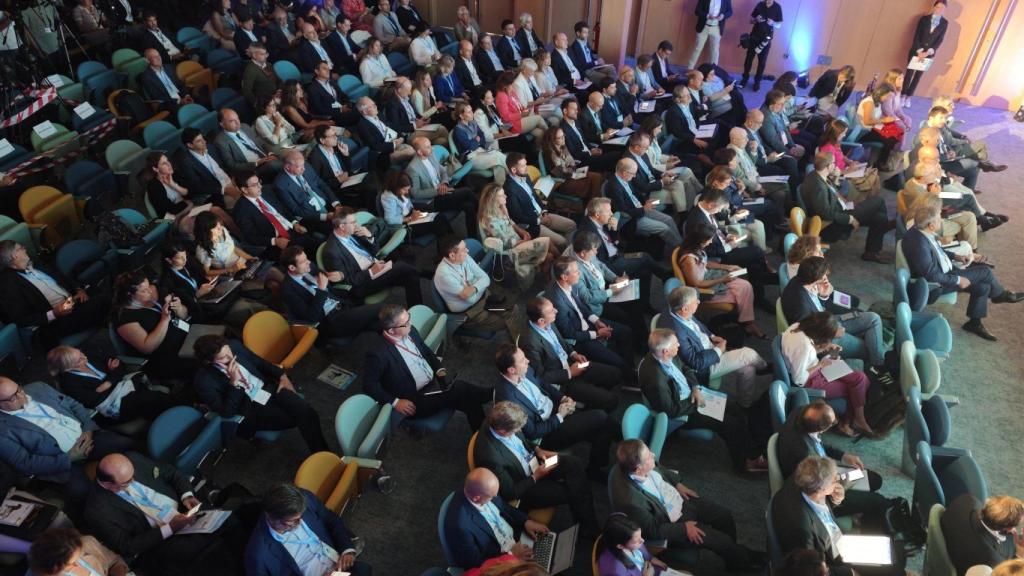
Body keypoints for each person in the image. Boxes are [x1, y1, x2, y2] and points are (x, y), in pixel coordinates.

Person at [610, 439, 763, 571]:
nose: (653, 455)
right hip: (673, 523)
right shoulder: (631, 501)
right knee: (721, 541)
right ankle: (739, 556)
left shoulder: (636, 460)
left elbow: (658, 466)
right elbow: (653, 530)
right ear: (638, 469)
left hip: (677, 499)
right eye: (649, 456)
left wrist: (677, 483)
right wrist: (684, 528)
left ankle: (734, 558)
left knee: (724, 516)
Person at [641, 329, 770, 473]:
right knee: (730, 425)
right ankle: (744, 464)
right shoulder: (656, 381)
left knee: (735, 409)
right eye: (675, 344)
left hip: (693, 395)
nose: (678, 345)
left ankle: (751, 451)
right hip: (685, 411)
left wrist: (695, 387)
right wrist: (696, 401)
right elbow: (671, 410)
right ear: (665, 351)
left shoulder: (665, 355)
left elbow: (686, 368)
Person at [474, 401, 599, 538]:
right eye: (517, 430)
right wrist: (537, 476)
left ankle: (587, 526)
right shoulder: (490, 457)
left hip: (537, 462)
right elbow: (511, 492)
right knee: (573, 491)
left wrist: (538, 450)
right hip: (527, 485)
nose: (520, 431)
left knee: (574, 463)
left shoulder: (499, 419)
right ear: (502, 431)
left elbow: (523, 441)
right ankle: (590, 530)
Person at [902, 201, 1022, 341]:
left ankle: (974, 323)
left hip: (943, 270)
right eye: (939, 218)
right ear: (932, 225)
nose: (942, 220)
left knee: (983, 287)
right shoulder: (919, 244)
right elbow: (931, 275)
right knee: (985, 272)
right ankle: (1000, 295)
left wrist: (956, 256)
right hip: (935, 285)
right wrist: (958, 280)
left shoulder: (921, 231)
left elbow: (936, 251)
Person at [0, 378, 135, 501]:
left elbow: (74, 405)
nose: (22, 396)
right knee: (82, 492)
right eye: (13, 398)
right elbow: (24, 463)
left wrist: (88, 429)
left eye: (19, 389)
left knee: (126, 444)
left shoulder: (38, 386)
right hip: (60, 462)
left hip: (87, 437)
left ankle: (137, 482)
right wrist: (70, 457)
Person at [493, 344, 615, 480]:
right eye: (522, 360)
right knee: (600, 417)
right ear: (512, 370)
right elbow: (533, 432)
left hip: (557, 409)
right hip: (548, 432)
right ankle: (622, 443)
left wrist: (562, 398)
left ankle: (595, 469)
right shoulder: (507, 399)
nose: (527, 360)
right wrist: (560, 416)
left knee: (603, 429)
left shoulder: (524, 369)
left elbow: (543, 384)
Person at [772, 456, 907, 576]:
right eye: (834, 479)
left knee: (896, 551)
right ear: (822, 489)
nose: (838, 479)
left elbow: (824, 509)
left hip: (843, 543)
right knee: (896, 566)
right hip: (835, 558)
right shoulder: (800, 528)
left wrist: (837, 499)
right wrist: (848, 572)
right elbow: (810, 567)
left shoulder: (806, 477)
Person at [364, 304, 491, 429]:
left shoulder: (410, 330)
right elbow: (369, 385)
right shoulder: (378, 354)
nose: (410, 323)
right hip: (413, 399)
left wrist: (438, 368)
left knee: (469, 400)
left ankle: (481, 437)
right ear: (391, 330)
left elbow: (425, 350)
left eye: (409, 317)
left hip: (432, 383)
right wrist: (395, 402)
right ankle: (491, 394)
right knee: (459, 388)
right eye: (405, 323)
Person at [193, 335, 328, 453]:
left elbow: (259, 362)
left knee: (307, 413)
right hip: (250, 407)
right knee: (297, 418)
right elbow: (227, 411)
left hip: (268, 387)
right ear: (209, 362)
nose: (230, 356)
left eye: (228, 350)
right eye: (223, 357)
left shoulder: (234, 345)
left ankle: (323, 455)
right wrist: (233, 383)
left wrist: (282, 375)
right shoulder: (204, 381)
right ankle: (322, 456)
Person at [778, 401, 895, 529]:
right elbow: (818, 493)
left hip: (830, 473)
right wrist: (839, 487)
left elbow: (818, 443)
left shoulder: (801, 412)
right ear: (822, 429)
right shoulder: (805, 456)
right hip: (826, 488)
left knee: (875, 480)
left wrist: (843, 456)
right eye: (833, 423)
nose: (836, 423)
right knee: (878, 501)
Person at [656, 286, 769, 406]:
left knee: (747, 368)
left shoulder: (675, 309)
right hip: (704, 366)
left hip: (707, 347)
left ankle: (745, 404)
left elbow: (697, 324)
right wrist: (718, 350)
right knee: (748, 354)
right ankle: (763, 368)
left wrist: (712, 336)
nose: (699, 302)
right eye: (696, 301)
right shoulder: (678, 333)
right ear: (685, 309)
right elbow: (695, 363)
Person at [782, 256, 889, 378]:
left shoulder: (801, 280)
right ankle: (878, 372)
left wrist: (823, 296)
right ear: (815, 278)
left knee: (873, 318)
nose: (826, 278)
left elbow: (818, 307)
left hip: (828, 320)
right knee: (870, 347)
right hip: (824, 335)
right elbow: (807, 334)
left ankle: (877, 366)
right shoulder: (800, 305)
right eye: (824, 276)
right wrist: (833, 333)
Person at [245, 481, 370, 576]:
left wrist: (346, 549)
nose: (300, 523)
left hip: (341, 561)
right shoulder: (257, 555)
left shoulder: (305, 498)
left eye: (301, 516)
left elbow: (331, 519)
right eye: (292, 521)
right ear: (271, 517)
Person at [780, 312, 874, 437]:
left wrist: (826, 347)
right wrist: (821, 365)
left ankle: (855, 419)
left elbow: (808, 353)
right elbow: (799, 379)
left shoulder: (798, 326)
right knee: (854, 388)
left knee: (860, 378)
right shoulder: (804, 347)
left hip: (814, 369)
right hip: (810, 381)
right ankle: (852, 421)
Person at [0, 241, 109, 348]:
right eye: (21, 248)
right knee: (103, 301)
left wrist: (79, 290)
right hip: (51, 322)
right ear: (14, 256)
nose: (25, 248)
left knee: (104, 288)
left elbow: (61, 276)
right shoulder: (7, 285)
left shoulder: (35, 262)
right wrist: (54, 314)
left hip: (71, 302)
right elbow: (21, 319)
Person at [521, 296, 620, 413]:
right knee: (610, 400)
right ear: (541, 321)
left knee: (615, 373)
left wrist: (573, 353)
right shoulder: (529, 342)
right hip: (564, 380)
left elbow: (561, 342)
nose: (556, 311)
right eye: (552, 310)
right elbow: (541, 377)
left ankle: (593, 394)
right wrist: (569, 373)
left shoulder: (549, 322)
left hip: (573, 364)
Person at [546, 256, 636, 377]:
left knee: (626, 332)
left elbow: (580, 305)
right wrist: (598, 334)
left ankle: (629, 368)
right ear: (564, 277)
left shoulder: (566, 283)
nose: (579, 273)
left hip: (587, 323)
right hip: (580, 338)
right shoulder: (557, 302)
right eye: (576, 271)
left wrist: (596, 320)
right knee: (617, 362)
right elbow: (569, 334)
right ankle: (631, 377)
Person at [445, 468, 549, 570]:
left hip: (516, 539)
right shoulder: (459, 526)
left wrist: (526, 522)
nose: (495, 496)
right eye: (492, 496)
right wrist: (511, 555)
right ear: (477, 498)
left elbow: (504, 507)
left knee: (547, 555)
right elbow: (474, 564)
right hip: (500, 561)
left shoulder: (485, 488)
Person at [684, 188, 774, 305]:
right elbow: (704, 250)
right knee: (756, 252)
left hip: (722, 245)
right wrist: (729, 247)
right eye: (719, 209)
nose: (719, 211)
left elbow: (716, 228)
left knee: (754, 263)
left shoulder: (705, 211)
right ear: (711, 205)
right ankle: (763, 282)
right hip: (716, 256)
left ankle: (760, 289)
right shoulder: (697, 221)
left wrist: (728, 235)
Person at [800, 151, 893, 263]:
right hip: (832, 225)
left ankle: (871, 253)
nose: (835, 166)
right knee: (878, 201)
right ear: (828, 166)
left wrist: (835, 179)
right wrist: (849, 219)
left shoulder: (817, 175)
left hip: (841, 210)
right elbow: (825, 213)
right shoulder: (818, 187)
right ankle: (886, 227)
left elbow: (831, 195)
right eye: (834, 163)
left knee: (880, 218)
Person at [47, 345, 178, 424]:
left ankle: (169, 416)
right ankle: (183, 408)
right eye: (79, 359)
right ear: (68, 368)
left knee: (151, 394)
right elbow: (94, 400)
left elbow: (119, 364)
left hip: (123, 386)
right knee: (153, 398)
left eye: (80, 353)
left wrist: (109, 381)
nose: (85, 358)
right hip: (114, 404)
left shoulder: (88, 356)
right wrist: (113, 375)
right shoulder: (69, 383)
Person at [321, 209, 424, 305]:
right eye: (352, 222)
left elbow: (375, 252)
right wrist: (371, 271)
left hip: (376, 266)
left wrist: (369, 236)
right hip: (363, 282)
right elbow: (346, 280)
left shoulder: (352, 233)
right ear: (342, 226)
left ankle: (416, 309)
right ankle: (425, 273)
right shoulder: (331, 252)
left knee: (412, 277)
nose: (356, 225)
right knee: (401, 266)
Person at [279, 245, 383, 339]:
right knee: (380, 309)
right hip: (331, 319)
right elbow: (311, 317)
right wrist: (321, 289)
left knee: (378, 322)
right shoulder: (287, 290)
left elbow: (326, 278)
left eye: (307, 258)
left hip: (341, 302)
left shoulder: (308, 268)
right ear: (292, 267)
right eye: (303, 261)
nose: (309, 262)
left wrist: (335, 276)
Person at [676, 226, 763, 338]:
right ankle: (747, 323)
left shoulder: (696, 249)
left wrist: (726, 267)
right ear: (699, 240)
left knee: (746, 286)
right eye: (709, 240)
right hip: (703, 290)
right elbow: (696, 284)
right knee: (741, 295)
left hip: (709, 278)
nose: (711, 241)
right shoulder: (689, 259)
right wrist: (723, 279)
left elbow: (705, 263)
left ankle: (747, 322)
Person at [111, 271, 199, 381]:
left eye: (148, 286)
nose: (149, 291)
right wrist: (164, 320)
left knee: (218, 342)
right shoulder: (124, 317)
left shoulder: (156, 290)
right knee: (207, 359)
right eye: (143, 291)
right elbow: (147, 347)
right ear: (129, 294)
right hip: (166, 356)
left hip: (188, 337)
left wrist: (179, 308)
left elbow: (184, 315)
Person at [579, 197, 669, 301]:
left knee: (645, 269)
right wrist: (614, 277)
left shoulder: (598, 222)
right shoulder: (588, 233)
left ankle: (645, 302)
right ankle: (667, 276)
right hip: (611, 264)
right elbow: (598, 262)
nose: (611, 214)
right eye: (608, 211)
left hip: (618, 254)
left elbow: (614, 241)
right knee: (644, 257)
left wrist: (614, 229)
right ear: (597, 215)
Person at [571, 232, 650, 340]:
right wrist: (611, 291)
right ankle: (641, 342)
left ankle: (643, 339)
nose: (596, 252)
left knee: (636, 303)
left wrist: (615, 278)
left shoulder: (589, 255)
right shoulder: (574, 270)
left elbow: (601, 266)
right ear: (583, 253)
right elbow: (587, 297)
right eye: (594, 249)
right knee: (627, 316)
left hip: (607, 290)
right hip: (598, 304)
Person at [232, 171, 324, 260]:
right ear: (244, 189)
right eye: (255, 185)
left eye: (259, 182)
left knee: (325, 223)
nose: (260, 186)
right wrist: (274, 241)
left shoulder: (266, 192)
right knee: (315, 244)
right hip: (278, 240)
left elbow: (283, 210)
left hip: (292, 227)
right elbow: (251, 237)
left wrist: (295, 223)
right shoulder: (240, 210)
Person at [433, 236, 513, 337]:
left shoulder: (464, 257)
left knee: (512, 309)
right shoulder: (444, 275)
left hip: (485, 297)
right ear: (452, 255)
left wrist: (473, 289)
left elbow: (486, 278)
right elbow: (470, 299)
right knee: (507, 322)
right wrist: (479, 285)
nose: (467, 250)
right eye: (463, 249)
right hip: (470, 313)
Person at [478, 183, 553, 290]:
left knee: (548, 251)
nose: (506, 196)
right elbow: (504, 242)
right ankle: (549, 282)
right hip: (509, 252)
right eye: (502, 195)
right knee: (548, 254)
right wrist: (523, 241)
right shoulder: (489, 220)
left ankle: (549, 279)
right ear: (493, 199)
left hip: (517, 243)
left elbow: (511, 223)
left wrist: (522, 232)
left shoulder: (501, 208)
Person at [193, 211, 282, 293]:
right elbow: (207, 272)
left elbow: (234, 249)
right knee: (272, 275)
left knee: (273, 280)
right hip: (231, 274)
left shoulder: (223, 230)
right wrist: (230, 270)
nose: (219, 227)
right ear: (206, 231)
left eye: (219, 225)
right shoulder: (202, 250)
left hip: (243, 263)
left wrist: (250, 258)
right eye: (216, 228)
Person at [404, 137, 478, 235]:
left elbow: (443, 171)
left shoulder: (431, 156)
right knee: (467, 191)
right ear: (420, 152)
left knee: (469, 206)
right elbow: (415, 193)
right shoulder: (413, 168)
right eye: (428, 147)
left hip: (443, 191)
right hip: (432, 200)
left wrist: (444, 183)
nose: (432, 148)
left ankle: (473, 236)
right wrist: (437, 191)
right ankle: (485, 214)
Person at [502, 152, 576, 250]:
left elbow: (535, 197)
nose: (527, 168)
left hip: (542, 214)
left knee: (572, 225)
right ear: (513, 170)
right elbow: (517, 216)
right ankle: (564, 255)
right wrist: (539, 220)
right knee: (562, 242)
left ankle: (566, 250)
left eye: (526, 164)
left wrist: (544, 211)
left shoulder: (525, 176)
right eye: (523, 166)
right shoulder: (509, 189)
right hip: (532, 224)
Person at [605, 157, 683, 251]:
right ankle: (680, 251)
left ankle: (682, 244)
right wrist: (644, 208)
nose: (634, 176)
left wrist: (645, 202)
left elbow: (634, 194)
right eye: (633, 174)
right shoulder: (614, 188)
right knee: (664, 228)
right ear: (624, 173)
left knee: (669, 219)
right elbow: (624, 211)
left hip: (641, 207)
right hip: (631, 219)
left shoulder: (625, 178)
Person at [900, 165, 980, 249]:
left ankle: (971, 251)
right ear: (924, 177)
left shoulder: (914, 182)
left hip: (932, 214)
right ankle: (970, 252)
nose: (935, 177)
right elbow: (927, 212)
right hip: (926, 223)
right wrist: (935, 195)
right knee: (965, 223)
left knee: (969, 215)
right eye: (932, 174)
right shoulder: (916, 192)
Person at [942, 495, 1024, 576]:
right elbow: (1008, 569)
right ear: (1009, 528)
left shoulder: (967, 500)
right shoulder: (993, 560)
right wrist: (1020, 553)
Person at [726, 126, 789, 221]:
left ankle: (782, 217)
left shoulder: (740, 147)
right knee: (784, 186)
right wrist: (757, 187)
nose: (747, 140)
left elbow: (752, 163)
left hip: (757, 177)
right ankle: (785, 216)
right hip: (752, 184)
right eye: (744, 138)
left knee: (781, 191)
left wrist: (754, 151)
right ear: (734, 139)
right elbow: (741, 178)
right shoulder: (731, 155)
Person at [273, 150, 343, 235]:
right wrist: (325, 217)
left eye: (303, 164)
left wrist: (336, 204)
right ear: (288, 167)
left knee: (349, 217)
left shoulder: (307, 167)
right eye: (299, 166)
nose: (304, 168)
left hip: (327, 204)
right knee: (339, 229)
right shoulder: (280, 184)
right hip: (313, 217)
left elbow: (322, 185)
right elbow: (296, 210)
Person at [817, 119, 881, 202]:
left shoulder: (835, 142)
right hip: (841, 176)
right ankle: (866, 202)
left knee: (873, 175)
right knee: (871, 178)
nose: (844, 135)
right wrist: (850, 169)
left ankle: (868, 200)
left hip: (846, 169)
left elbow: (841, 155)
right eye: (843, 133)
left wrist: (850, 162)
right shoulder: (828, 149)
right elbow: (832, 173)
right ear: (836, 134)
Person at [539, 127, 604, 209]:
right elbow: (560, 173)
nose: (563, 139)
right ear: (552, 140)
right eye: (560, 138)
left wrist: (571, 169)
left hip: (571, 175)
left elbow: (572, 163)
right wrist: (571, 169)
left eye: (563, 136)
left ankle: (592, 207)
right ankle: (594, 209)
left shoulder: (562, 146)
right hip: (562, 183)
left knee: (597, 177)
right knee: (593, 183)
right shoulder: (550, 154)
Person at [178, 128, 242, 210]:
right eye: (199, 141)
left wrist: (232, 177)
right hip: (216, 192)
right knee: (244, 201)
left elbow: (224, 164)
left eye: (203, 138)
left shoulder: (210, 147)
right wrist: (223, 189)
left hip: (232, 181)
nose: (204, 141)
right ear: (190, 145)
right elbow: (198, 187)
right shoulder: (186, 163)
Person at [28, 527, 131, 576]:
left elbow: (114, 561)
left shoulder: (88, 543)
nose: (79, 565)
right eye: (71, 564)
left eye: (81, 555)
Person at [213, 108, 283, 179]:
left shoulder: (244, 127)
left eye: (237, 118)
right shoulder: (220, 141)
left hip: (266, 158)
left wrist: (270, 154)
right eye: (232, 121)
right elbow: (232, 165)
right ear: (222, 124)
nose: (238, 122)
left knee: (285, 154)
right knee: (279, 164)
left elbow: (261, 143)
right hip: (253, 170)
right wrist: (257, 163)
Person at [596, 514, 673, 576]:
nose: (642, 541)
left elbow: (645, 554)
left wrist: (651, 558)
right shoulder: (615, 571)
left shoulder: (630, 538)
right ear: (620, 546)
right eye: (636, 541)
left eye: (640, 536)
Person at [454, 97, 512, 178]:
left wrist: (476, 141)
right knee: (497, 156)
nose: (472, 113)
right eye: (469, 112)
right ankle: (515, 174)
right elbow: (469, 146)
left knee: (499, 166)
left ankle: (502, 187)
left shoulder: (473, 123)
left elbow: (482, 136)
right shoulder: (458, 130)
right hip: (470, 159)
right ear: (461, 115)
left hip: (480, 151)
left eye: (471, 111)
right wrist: (477, 140)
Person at [384, 77, 450, 146]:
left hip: (417, 128)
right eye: (408, 90)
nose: (410, 93)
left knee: (442, 141)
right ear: (399, 90)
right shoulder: (392, 105)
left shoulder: (405, 97)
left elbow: (413, 115)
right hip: (408, 134)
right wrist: (415, 125)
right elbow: (395, 127)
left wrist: (421, 119)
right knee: (442, 129)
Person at [903, 1, 949, 101]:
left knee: (918, 76)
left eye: (942, 8)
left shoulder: (945, 23)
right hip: (916, 51)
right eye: (938, 7)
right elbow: (917, 36)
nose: (939, 10)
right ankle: (903, 95)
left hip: (929, 54)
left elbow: (940, 40)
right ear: (934, 7)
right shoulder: (924, 19)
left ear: (944, 9)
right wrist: (919, 52)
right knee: (909, 74)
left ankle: (908, 97)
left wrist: (927, 53)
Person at [560, 98, 620, 173]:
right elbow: (573, 153)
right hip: (583, 160)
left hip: (590, 150)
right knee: (615, 156)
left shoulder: (576, 122)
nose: (577, 111)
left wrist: (592, 149)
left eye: (576, 109)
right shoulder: (563, 130)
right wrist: (590, 153)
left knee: (618, 146)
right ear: (565, 111)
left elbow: (584, 139)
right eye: (573, 109)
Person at [354, 96, 417, 165]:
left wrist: (401, 137)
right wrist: (393, 144)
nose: (376, 106)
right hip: (384, 154)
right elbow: (374, 146)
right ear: (365, 112)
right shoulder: (362, 126)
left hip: (396, 142)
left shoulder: (379, 114)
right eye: (372, 106)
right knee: (412, 152)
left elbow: (393, 127)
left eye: (374, 104)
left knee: (418, 145)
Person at [739, 0, 783, 92]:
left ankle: (757, 82)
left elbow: (779, 25)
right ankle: (745, 79)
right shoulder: (759, 4)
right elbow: (751, 20)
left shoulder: (777, 7)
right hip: (754, 37)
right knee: (748, 60)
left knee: (762, 62)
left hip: (765, 40)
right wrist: (756, 20)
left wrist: (773, 23)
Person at [855, 83, 902, 169]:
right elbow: (867, 121)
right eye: (887, 96)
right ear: (881, 93)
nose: (888, 99)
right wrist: (884, 120)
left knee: (894, 136)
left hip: (870, 128)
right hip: (863, 132)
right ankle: (880, 163)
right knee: (890, 140)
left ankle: (880, 161)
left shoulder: (876, 101)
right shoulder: (870, 102)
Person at [495, 71, 547, 143]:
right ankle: (554, 137)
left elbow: (520, 106)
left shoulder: (511, 92)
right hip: (512, 125)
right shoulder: (501, 96)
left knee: (541, 133)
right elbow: (506, 118)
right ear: (505, 86)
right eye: (512, 85)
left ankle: (539, 151)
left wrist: (526, 112)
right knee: (539, 118)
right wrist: (521, 115)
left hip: (521, 119)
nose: (513, 87)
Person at [308, 61, 359, 129]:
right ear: (317, 71)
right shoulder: (313, 88)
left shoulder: (331, 81)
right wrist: (340, 110)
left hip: (343, 108)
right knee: (360, 114)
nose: (328, 70)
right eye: (324, 68)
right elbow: (319, 109)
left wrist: (347, 104)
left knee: (362, 106)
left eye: (328, 68)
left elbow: (342, 95)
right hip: (333, 116)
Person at [688, 0, 733, 68]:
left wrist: (723, 16)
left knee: (715, 50)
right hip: (703, 26)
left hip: (717, 28)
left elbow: (730, 12)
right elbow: (697, 11)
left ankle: (713, 71)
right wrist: (707, 16)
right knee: (698, 48)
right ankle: (690, 68)